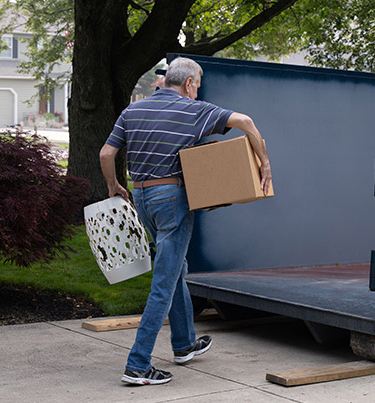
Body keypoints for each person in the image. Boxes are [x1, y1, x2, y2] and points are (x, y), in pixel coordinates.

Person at [99, 57, 271, 385]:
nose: (197, 93)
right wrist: (265, 164)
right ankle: (137, 365)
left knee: (176, 269)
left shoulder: (132, 110)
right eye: (197, 87)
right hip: (172, 199)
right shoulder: (193, 109)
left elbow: (106, 154)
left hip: (143, 199)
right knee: (164, 280)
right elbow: (245, 121)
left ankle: (184, 344)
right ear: (189, 83)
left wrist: (113, 185)